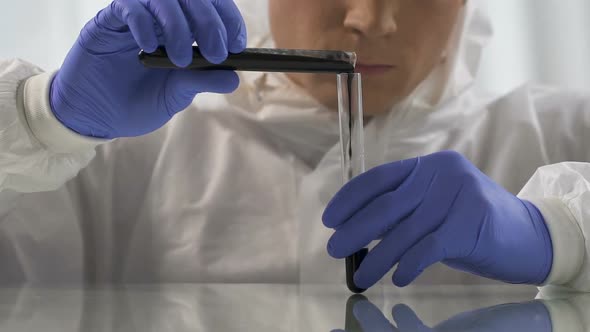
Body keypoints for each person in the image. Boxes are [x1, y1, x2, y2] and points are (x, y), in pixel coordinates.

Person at [0, 0, 588, 292]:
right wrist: (41, 120)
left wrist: (562, 233)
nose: (369, 19)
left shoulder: (559, 132)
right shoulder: (125, 153)